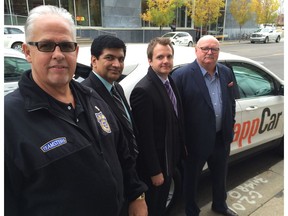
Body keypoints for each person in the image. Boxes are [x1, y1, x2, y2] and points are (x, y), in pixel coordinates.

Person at [4, 5, 148, 216]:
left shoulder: (92, 97)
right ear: (27, 52)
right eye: (46, 45)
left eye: (66, 46)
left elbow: (121, 152)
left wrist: (137, 194)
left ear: (76, 51)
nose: (58, 54)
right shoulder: (8, 120)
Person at [171, 35, 237, 216]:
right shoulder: (181, 76)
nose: (210, 52)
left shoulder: (225, 72)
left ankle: (219, 205)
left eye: (214, 49)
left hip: (220, 138)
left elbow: (231, 102)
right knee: (191, 181)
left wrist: (230, 125)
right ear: (196, 50)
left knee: (220, 176)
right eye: (205, 48)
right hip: (194, 143)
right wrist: (183, 141)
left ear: (218, 52)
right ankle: (191, 211)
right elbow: (176, 114)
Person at [130, 37, 186, 216]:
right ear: (150, 60)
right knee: (154, 208)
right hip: (157, 169)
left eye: (169, 56)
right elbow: (144, 138)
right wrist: (155, 171)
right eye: (160, 57)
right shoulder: (143, 91)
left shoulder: (170, 82)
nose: (166, 61)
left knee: (162, 206)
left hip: (170, 162)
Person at [82, 35, 139, 160]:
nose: (117, 64)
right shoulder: (84, 95)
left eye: (121, 59)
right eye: (109, 58)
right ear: (94, 60)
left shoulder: (117, 88)